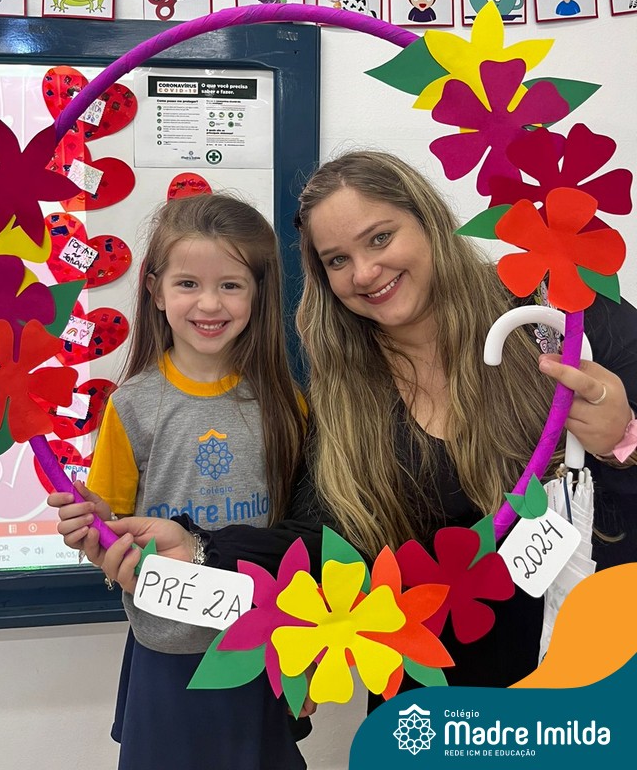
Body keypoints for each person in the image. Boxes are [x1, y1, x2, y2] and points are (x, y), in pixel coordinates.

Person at [61, 151, 637, 709]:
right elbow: (324, 546)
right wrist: (201, 551)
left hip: (595, 673)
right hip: (437, 696)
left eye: (380, 238)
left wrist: (624, 439)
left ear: (429, 221)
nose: (364, 272)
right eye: (337, 260)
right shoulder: (344, 391)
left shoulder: (557, 317)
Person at [48, 192, 309, 770]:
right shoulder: (132, 407)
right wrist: (96, 534)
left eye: (230, 285)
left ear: (258, 292)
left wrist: (308, 655)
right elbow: (110, 540)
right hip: (167, 649)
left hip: (262, 643)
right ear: (156, 290)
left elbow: (302, 538)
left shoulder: (288, 405)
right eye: (188, 283)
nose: (209, 303)